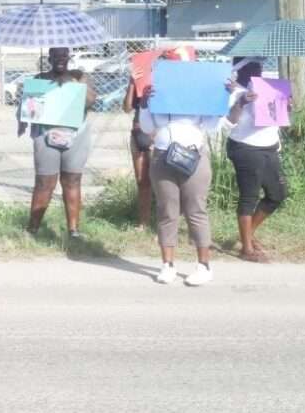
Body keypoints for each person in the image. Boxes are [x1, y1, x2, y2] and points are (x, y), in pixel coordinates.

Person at [138, 84, 221, 286]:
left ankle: (204, 266)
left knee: (196, 211)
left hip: (193, 158)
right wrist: (144, 103)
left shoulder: (199, 96)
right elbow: (147, 127)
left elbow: (213, 125)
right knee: (167, 211)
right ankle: (168, 265)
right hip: (162, 158)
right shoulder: (159, 96)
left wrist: (220, 99)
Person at [19, 47, 97, 239]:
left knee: (72, 180)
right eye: (56, 55)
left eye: (64, 55)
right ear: (50, 58)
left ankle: (73, 230)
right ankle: (33, 229)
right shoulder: (40, 79)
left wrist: (73, 83)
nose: (60, 59)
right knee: (44, 182)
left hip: (76, 134)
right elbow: (29, 107)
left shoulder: (79, 77)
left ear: (69, 57)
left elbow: (90, 101)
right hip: (46, 135)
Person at [225, 57, 287, 263]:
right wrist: (241, 101)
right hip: (246, 147)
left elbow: (278, 116)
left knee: (277, 194)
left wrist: (286, 104)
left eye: (259, 66)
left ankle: (247, 235)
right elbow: (230, 120)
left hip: (270, 146)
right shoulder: (233, 90)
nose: (258, 70)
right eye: (252, 67)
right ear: (240, 70)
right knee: (249, 198)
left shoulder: (269, 86)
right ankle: (247, 249)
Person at [122, 77, 153, 229]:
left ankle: (163, 224)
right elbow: (127, 108)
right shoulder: (140, 78)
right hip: (139, 133)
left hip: (159, 134)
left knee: (164, 184)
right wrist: (132, 84)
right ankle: (143, 223)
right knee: (142, 181)